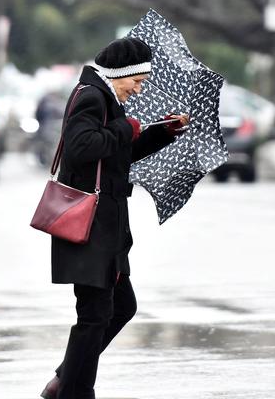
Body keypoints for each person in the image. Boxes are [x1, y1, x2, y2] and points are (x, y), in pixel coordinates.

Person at [40, 37, 189, 399]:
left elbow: (116, 155)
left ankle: (66, 380)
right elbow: (80, 149)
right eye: (136, 82)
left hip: (105, 230)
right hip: (89, 228)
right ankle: (74, 391)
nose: (138, 90)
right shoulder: (91, 96)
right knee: (95, 314)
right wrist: (128, 128)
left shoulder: (106, 97)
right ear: (120, 74)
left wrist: (160, 133)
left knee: (121, 306)